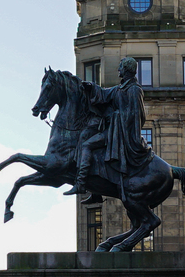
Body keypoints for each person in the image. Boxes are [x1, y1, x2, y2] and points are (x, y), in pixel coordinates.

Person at [65, 57, 152, 198]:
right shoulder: (120, 88)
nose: (118, 69)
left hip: (122, 134)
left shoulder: (134, 90)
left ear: (126, 69)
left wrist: (117, 118)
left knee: (87, 145)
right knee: (89, 142)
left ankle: (81, 183)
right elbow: (104, 94)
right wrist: (91, 87)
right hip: (113, 131)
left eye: (121, 67)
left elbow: (137, 115)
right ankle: (96, 191)